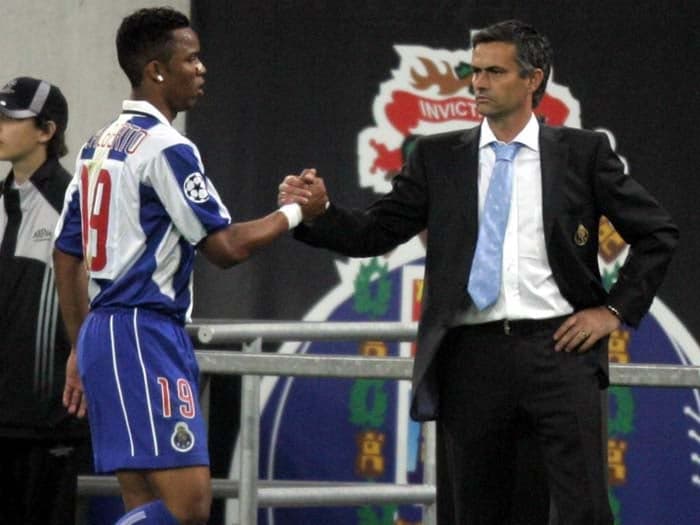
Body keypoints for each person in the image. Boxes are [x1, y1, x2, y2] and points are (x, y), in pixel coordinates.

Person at [279, 19, 678, 525]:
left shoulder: (583, 153)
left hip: (560, 351)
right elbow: (376, 233)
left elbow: (657, 234)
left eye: (494, 71)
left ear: (534, 80)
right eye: (475, 71)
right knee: (474, 512)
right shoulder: (437, 156)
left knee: (585, 512)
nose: (478, 83)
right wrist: (319, 212)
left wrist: (612, 310)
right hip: (471, 360)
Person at [52, 7, 323, 525]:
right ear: (156, 70)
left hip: (107, 332)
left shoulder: (96, 144)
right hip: (145, 332)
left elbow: (67, 252)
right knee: (189, 507)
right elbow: (224, 248)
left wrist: (81, 342)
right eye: (191, 59)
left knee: (145, 504)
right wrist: (296, 211)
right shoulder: (167, 147)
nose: (202, 70)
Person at [0, 77, 90, 524]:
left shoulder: (73, 203)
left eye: (10, 117)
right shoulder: (3, 199)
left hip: (48, 418)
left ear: (46, 131)